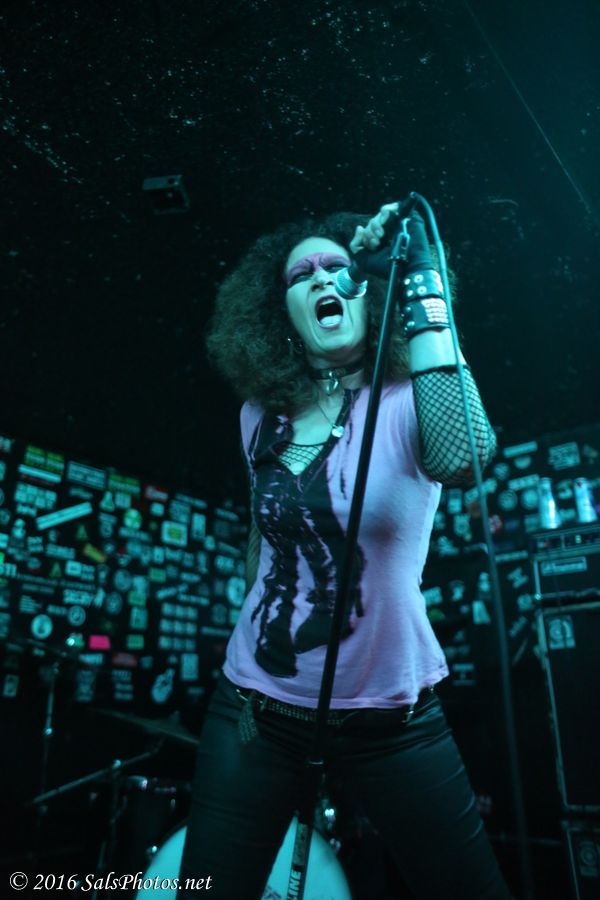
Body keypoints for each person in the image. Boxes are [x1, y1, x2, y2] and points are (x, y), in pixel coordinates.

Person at [179, 202, 512, 898]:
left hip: (390, 717)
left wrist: (421, 279)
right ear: (282, 314)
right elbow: (263, 534)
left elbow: (464, 457)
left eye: (338, 268)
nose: (322, 278)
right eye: (302, 275)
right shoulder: (258, 417)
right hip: (256, 709)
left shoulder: (412, 400)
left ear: (367, 292)